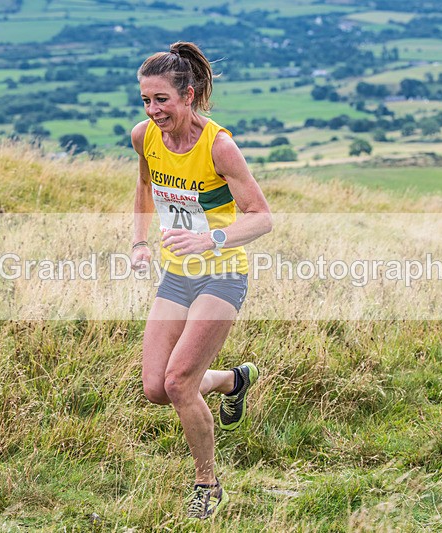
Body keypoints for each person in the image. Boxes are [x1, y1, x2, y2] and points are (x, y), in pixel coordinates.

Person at [129, 41, 273, 519]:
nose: (153, 110)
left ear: (187, 95)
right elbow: (144, 186)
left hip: (222, 274)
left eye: (162, 100)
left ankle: (207, 484)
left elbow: (261, 217)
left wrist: (211, 239)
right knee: (156, 387)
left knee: (178, 382)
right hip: (176, 274)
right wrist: (140, 242)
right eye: (146, 100)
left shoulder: (219, 146)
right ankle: (233, 381)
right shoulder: (145, 137)